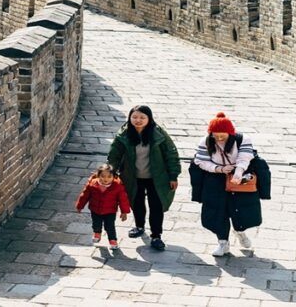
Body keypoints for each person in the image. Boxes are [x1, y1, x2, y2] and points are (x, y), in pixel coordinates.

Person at [107, 105, 181, 251]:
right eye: (134, 117)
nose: (138, 120)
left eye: (142, 117)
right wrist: (110, 173)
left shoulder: (159, 134)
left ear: (149, 119)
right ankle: (139, 226)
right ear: (129, 118)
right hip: (133, 176)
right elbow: (114, 156)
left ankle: (156, 235)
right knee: (136, 201)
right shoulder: (123, 135)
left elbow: (171, 155)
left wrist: (173, 176)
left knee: (156, 205)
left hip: (157, 177)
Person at [192, 112, 262, 257]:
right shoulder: (205, 141)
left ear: (230, 132)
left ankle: (240, 231)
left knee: (241, 207)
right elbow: (200, 161)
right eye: (215, 135)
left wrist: (238, 171)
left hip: (240, 174)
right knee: (217, 210)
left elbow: (245, 156)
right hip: (214, 177)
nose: (219, 138)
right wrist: (219, 169)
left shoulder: (242, 139)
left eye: (222, 135)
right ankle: (222, 242)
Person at [75, 163, 131, 250]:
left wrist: (124, 212)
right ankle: (97, 232)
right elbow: (84, 195)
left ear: (114, 176)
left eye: (109, 176)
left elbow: (123, 200)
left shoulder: (117, 187)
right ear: (98, 175)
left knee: (110, 226)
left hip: (110, 211)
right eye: (103, 176)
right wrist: (80, 206)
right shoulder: (92, 184)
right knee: (96, 223)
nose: (106, 179)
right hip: (95, 209)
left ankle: (112, 240)